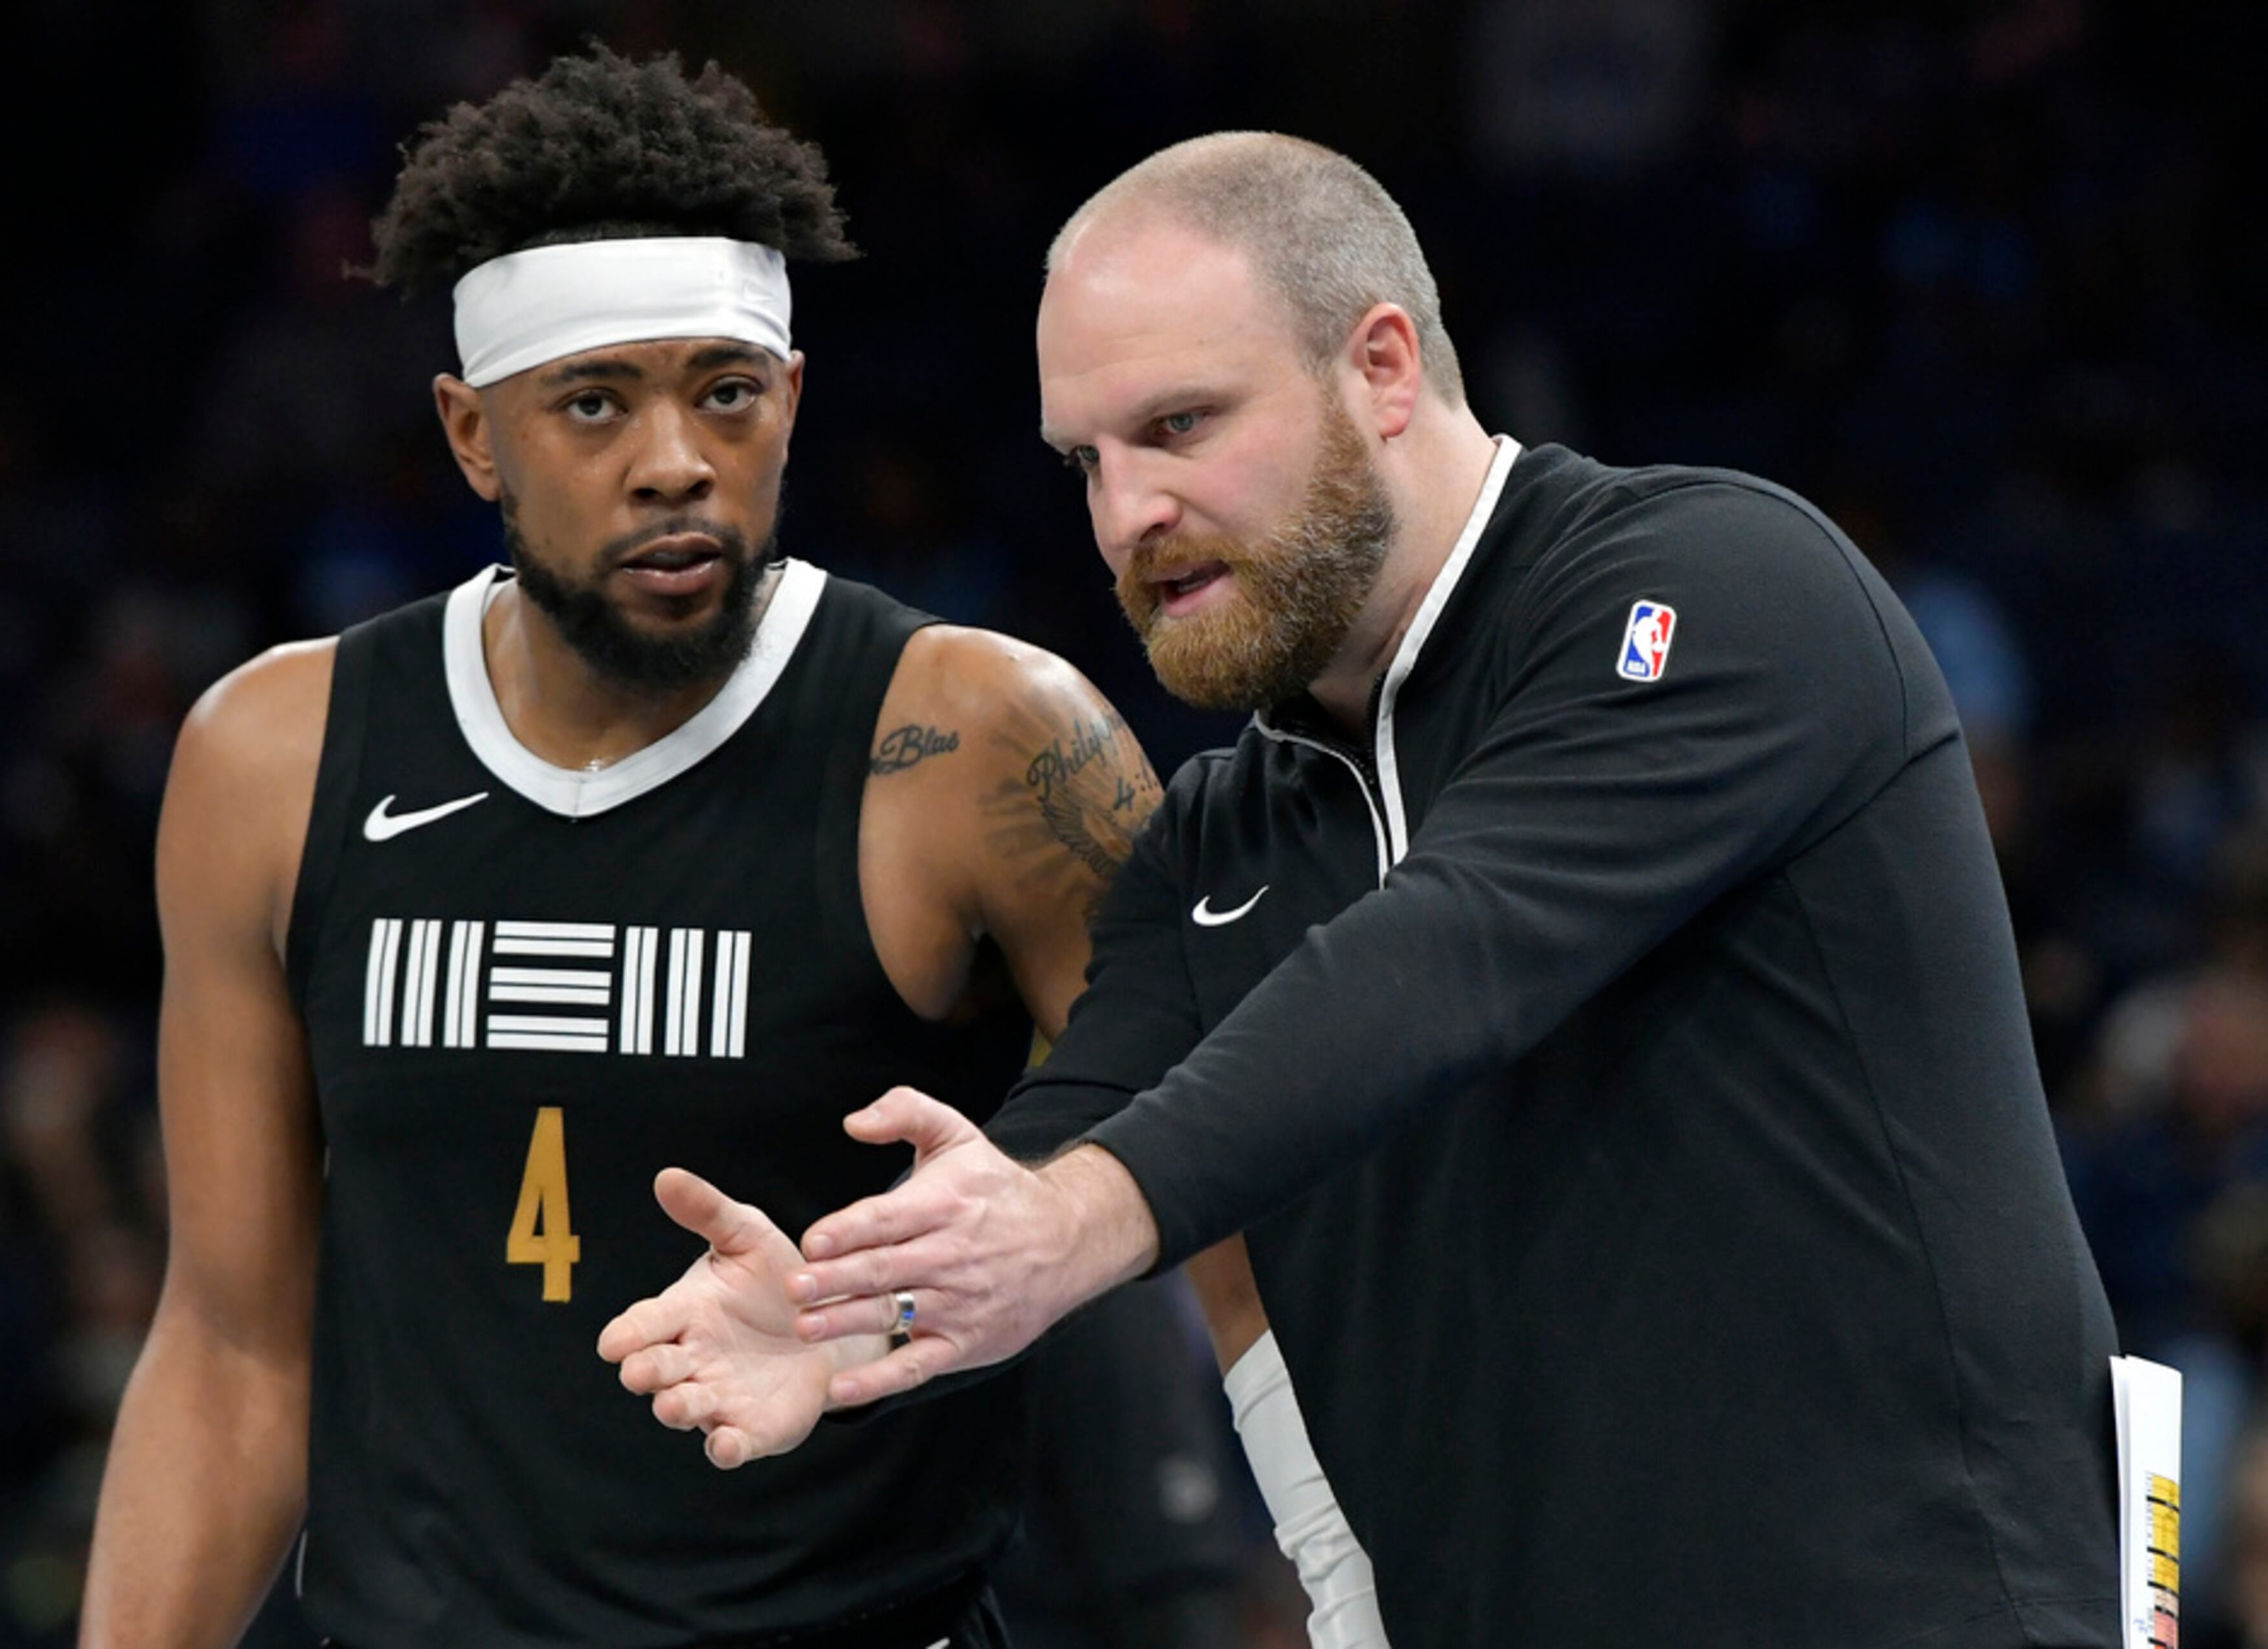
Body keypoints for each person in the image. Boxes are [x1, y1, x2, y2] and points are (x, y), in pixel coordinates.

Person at [606, 132, 2124, 1647]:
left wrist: (1068, 1224)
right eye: (1088, 459)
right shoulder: (1216, 843)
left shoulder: (1721, 587)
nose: (1129, 512)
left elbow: (1457, 955)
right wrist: (844, 1307)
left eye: (1182, 424)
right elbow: (1058, 1154)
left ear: (1384, 369)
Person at [79, 51, 1359, 1649]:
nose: (675, 457)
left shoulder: (979, 740)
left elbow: (1239, 1216)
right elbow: (230, 1345)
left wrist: (1353, 1581)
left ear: (793, 403)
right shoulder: (271, 760)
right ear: (474, 436)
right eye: (597, 403)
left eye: (726, 391)